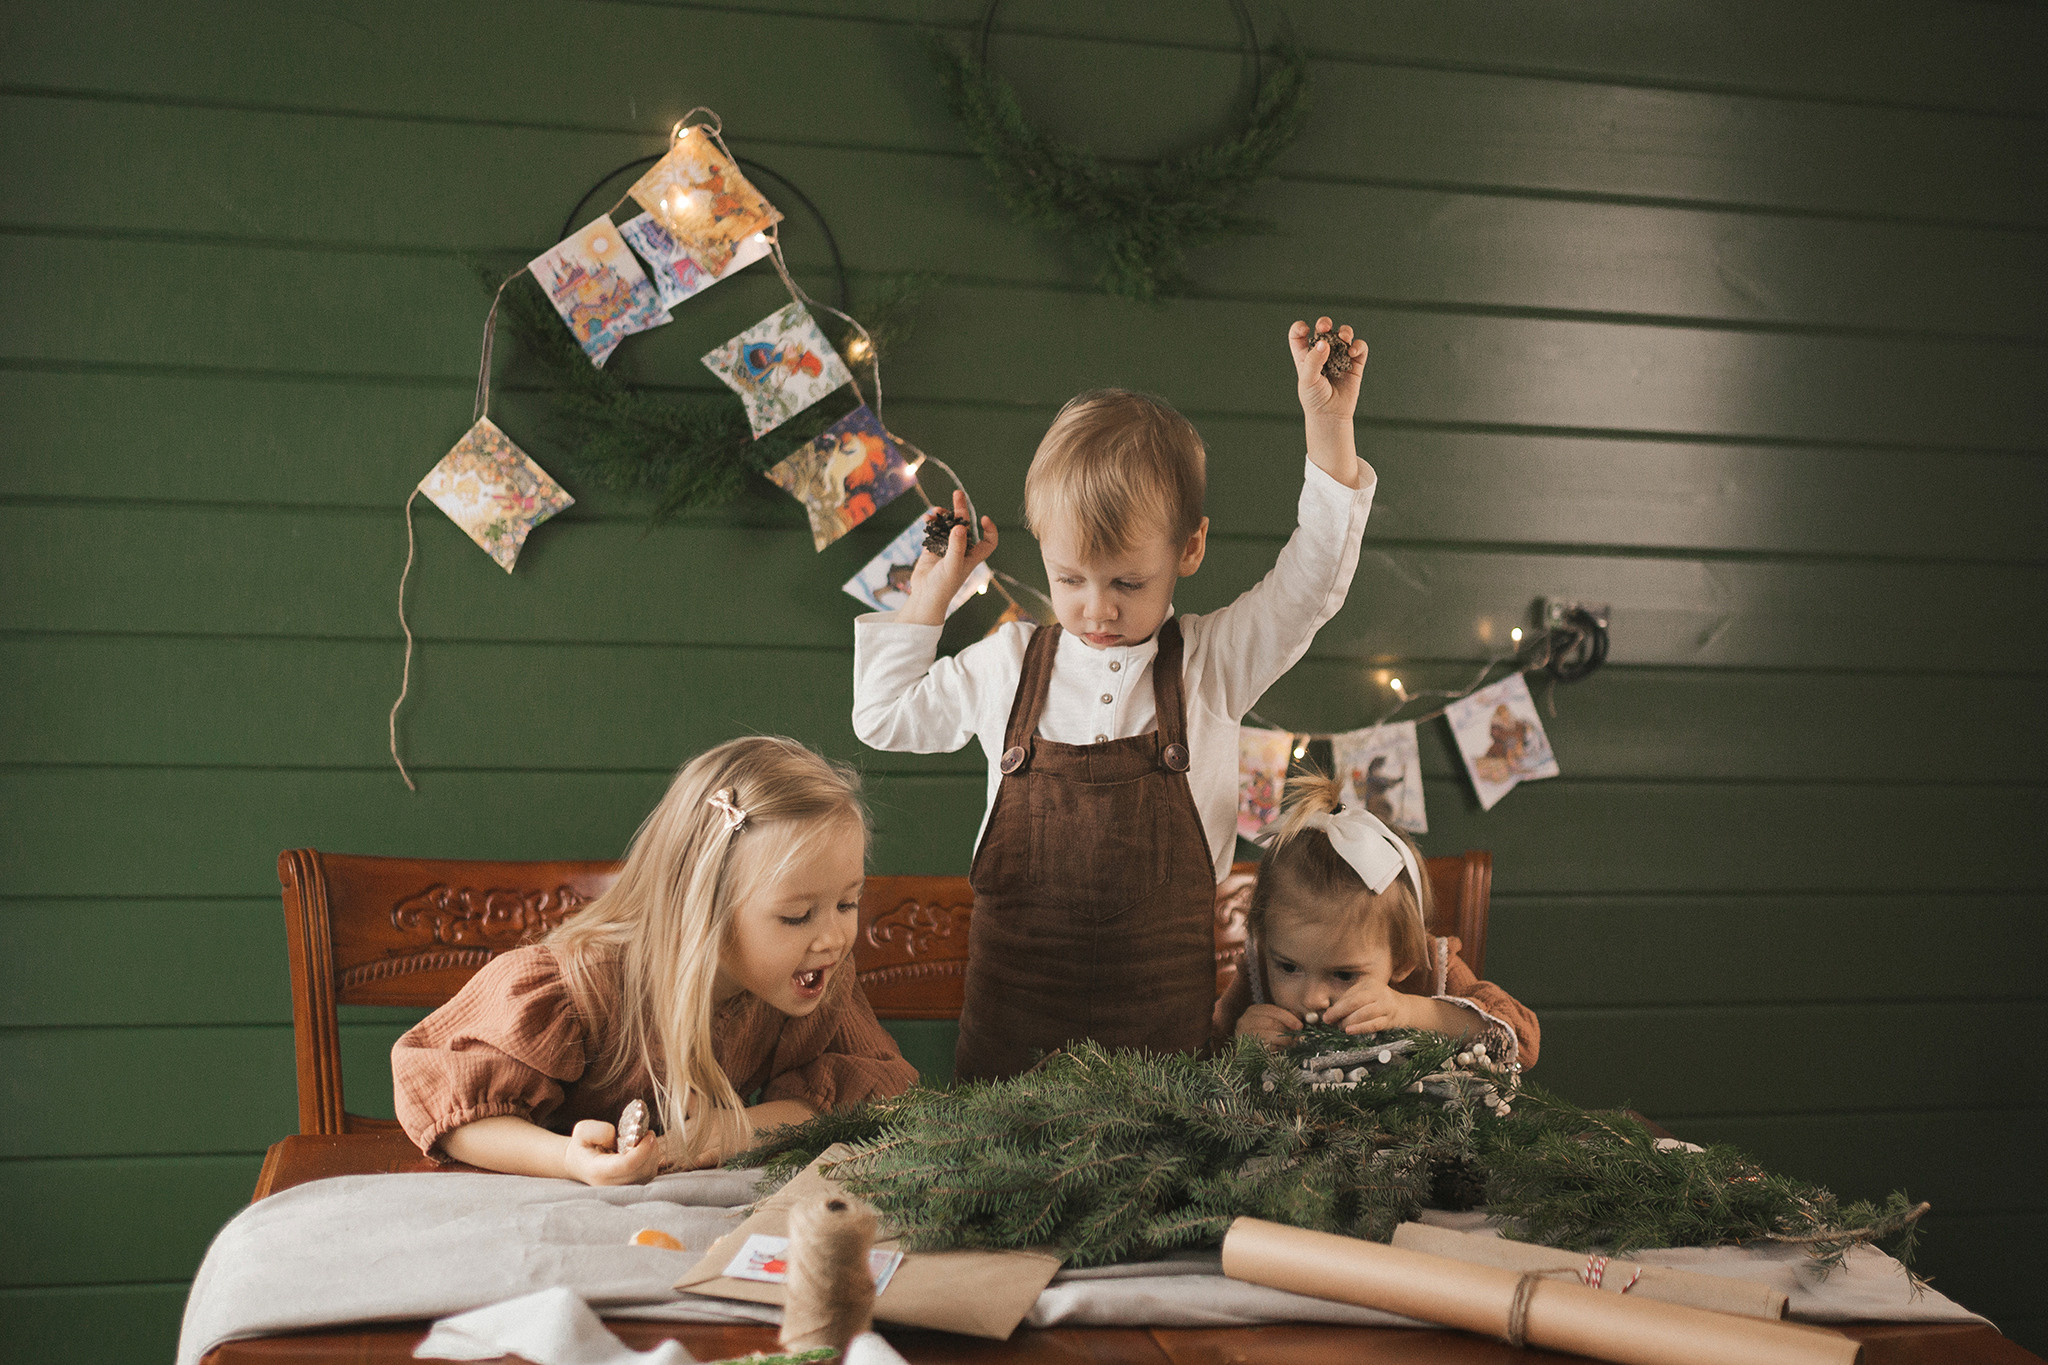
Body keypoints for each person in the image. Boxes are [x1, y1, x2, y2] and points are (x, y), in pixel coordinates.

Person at [853, 318, 1377, 1081]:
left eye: (1127, 582)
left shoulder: (1213, 664)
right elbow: (883, 716)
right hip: (1006, 1072)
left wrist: (1329, 427)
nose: (1096, 609)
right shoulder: (1006, 666)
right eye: (1070, 579)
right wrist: (930, 595)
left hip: (1162, 1075)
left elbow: (1313, 581)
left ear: (1188, 550)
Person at [391, 736, 919, 1184]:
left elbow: (868, 1094)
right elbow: (449, 1105)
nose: (832, 937)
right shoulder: (583, 985)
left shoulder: (817, 981)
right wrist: (571, 1161)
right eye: (798, 915)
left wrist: (732, 1131)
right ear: (703, 908)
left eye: (848, 903)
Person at [1214, 774, 1539, 1069]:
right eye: (1288, 967)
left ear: (1403, 959)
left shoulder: (1432, 971)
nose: (1312, 998)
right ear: (1264, 935)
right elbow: (1194, 1067)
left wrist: (1414, 1012)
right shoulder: (1257, 970)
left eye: (1343, 974)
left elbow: (1523, 1044)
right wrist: (1240, 1043)